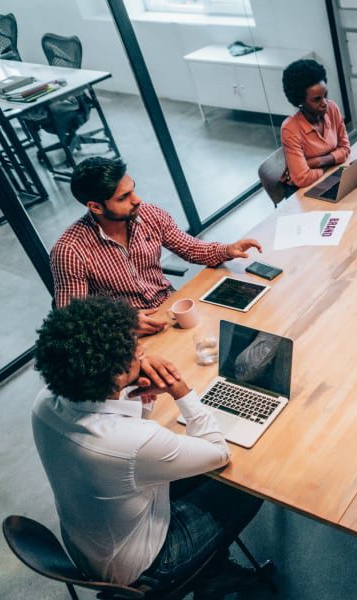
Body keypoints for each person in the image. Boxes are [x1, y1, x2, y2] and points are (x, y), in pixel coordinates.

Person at [31, 296, 266, 595]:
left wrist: (134, 397)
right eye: (133, 348)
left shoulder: (44, 404)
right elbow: (218, 452)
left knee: (196, 472)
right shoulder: (131, 443)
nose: (141, 351)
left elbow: (127, 456)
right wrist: (180, 390)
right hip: (145, 566)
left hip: (91, 542)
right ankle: (212, 574)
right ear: (116, 374)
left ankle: (213, 567)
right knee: (248, 482)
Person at [50, 157, 262, 335]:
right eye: (124, 197)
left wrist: (227, 250)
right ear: (95, 207)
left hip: (170, 307)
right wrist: (123, 323)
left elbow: (189, 248)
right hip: (128, 333)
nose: (137, 200)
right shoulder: (70, 251)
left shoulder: (149, 215)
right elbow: (72, 319)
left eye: (133, 190)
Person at [280, 58, 350, 188]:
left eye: (325, 95)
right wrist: (332, 162)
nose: (324, 103)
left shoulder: (332, 108)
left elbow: (345, 149)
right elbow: (302, 178)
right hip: (304, 189)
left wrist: (317, 162)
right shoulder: (290, 129)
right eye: (317, 99)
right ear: (300, 100)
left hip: (332, 177)